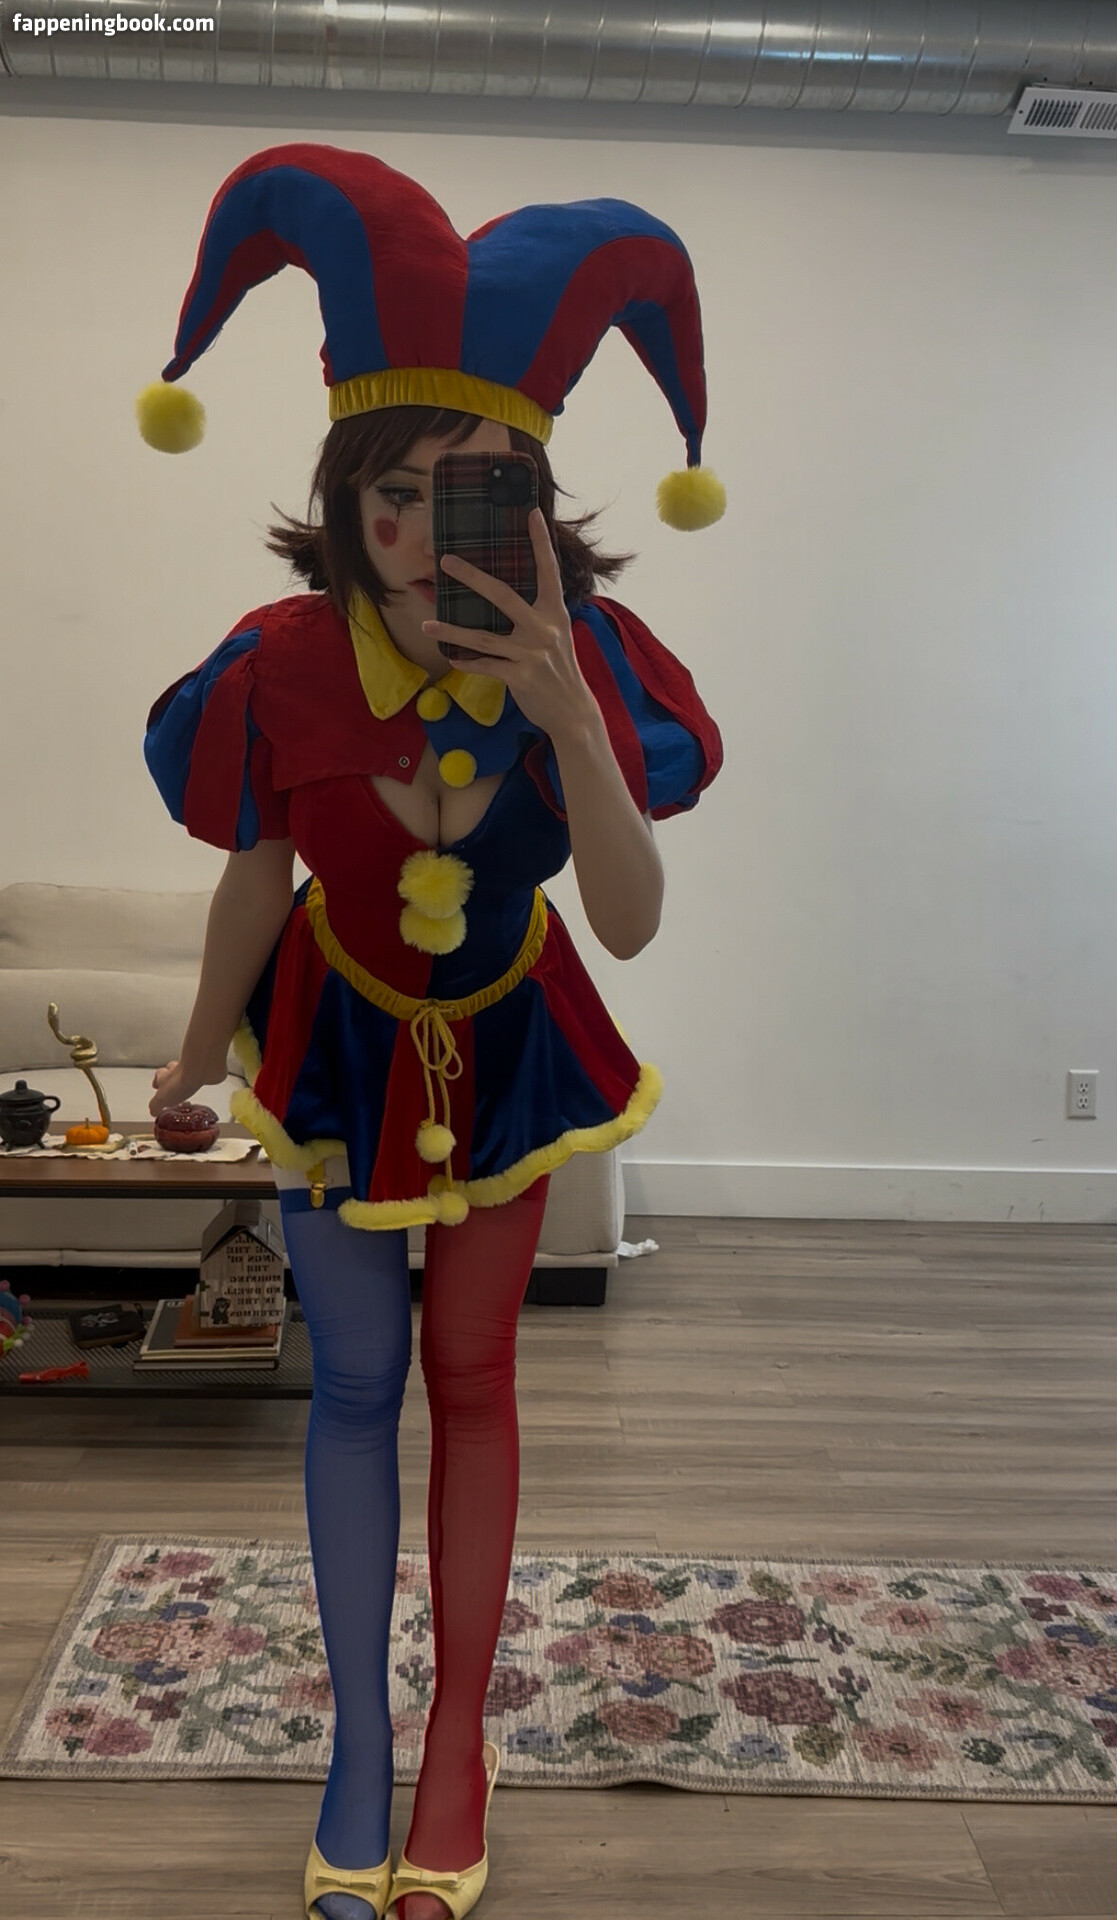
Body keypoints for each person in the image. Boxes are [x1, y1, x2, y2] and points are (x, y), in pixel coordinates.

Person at [139, 143, 724, 1920]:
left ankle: (456, 1746)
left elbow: (627, 918)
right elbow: (256, 874)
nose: (418, 535)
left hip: (511, 1041)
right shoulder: (274, 661)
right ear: (344, 495)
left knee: (475, 1383)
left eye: (472, 493)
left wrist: (569, 720)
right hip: (335, 1050)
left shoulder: (595, 662)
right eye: (390, 494)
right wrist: (194, 1052)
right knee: (351, 1388)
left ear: (533, 504)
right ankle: (358, 1749)